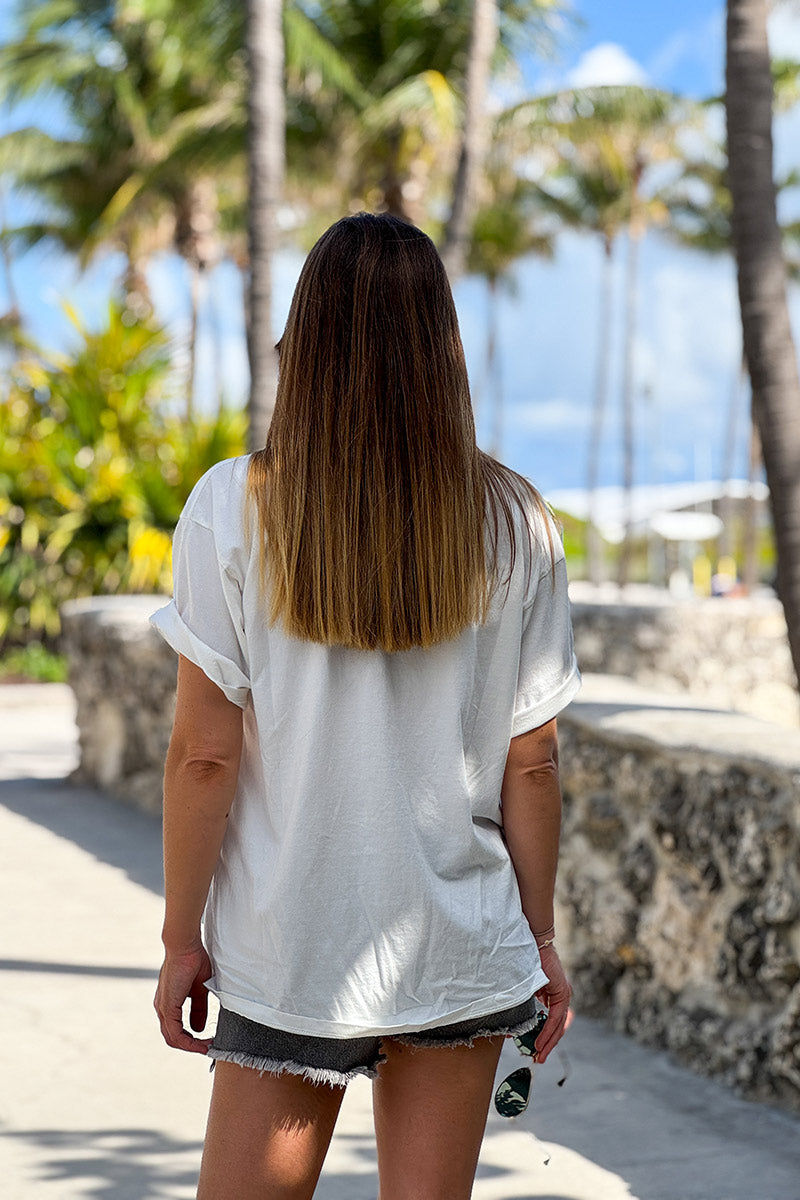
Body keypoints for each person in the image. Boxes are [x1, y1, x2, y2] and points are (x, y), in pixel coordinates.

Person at [149, 211, 581, 1200]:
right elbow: (531, 761)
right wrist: (540, 938)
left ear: (302, 343)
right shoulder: (516, 521)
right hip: (458, 944)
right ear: (440, 350)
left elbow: (204, 757)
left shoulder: (231, 507)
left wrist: (181, 942)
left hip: (287, 940)